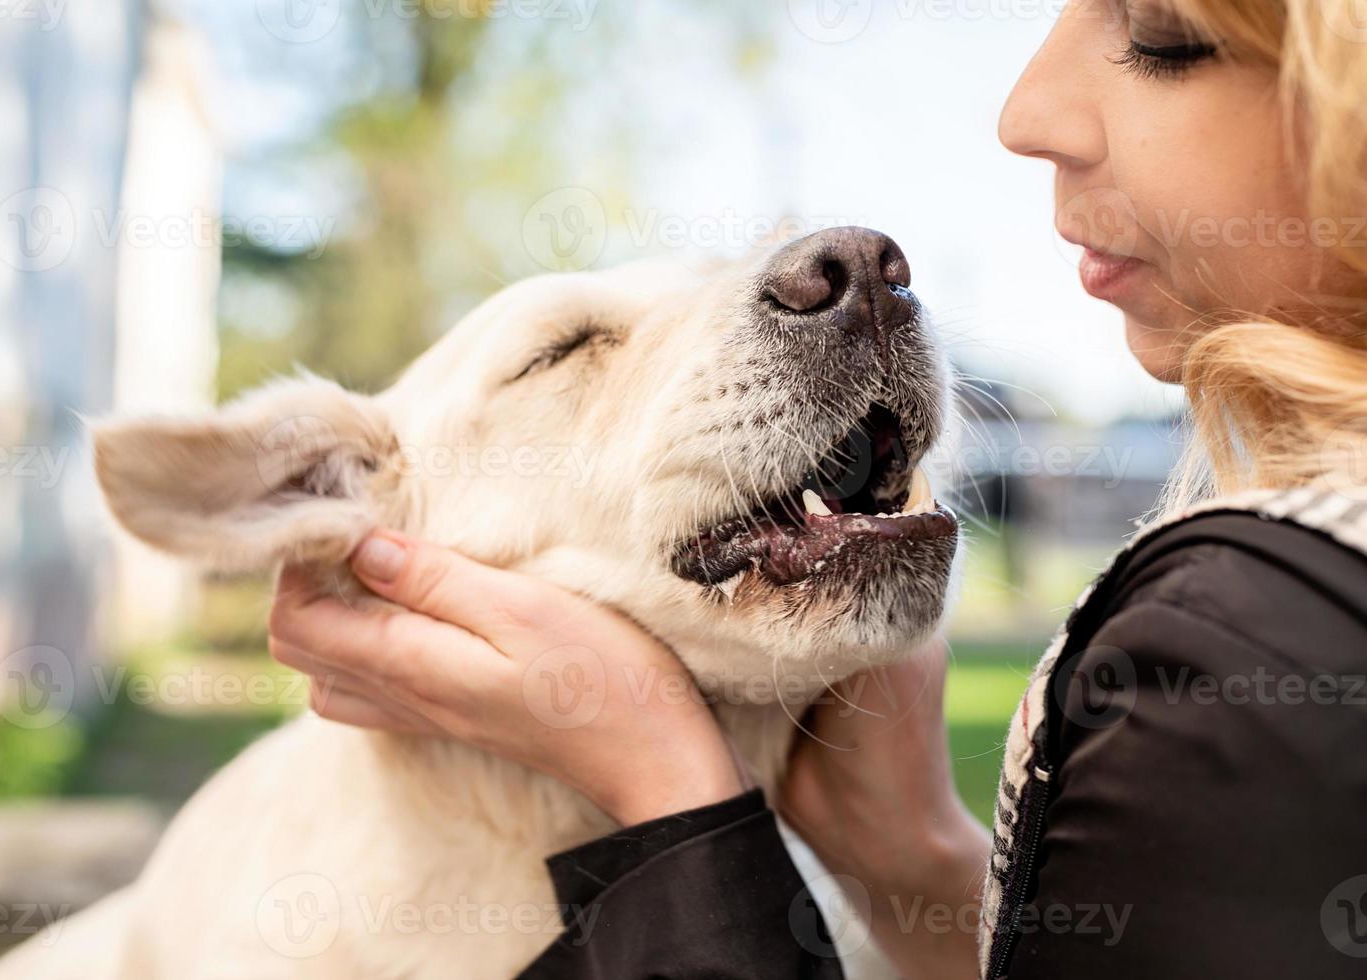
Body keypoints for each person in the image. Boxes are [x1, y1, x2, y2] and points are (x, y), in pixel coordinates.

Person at [264, 1, 1367, 976]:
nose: (1023, 110)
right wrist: (915, 851)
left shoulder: (1262, 637)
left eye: (1160, 35)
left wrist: (676, 805)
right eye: (569, 351)